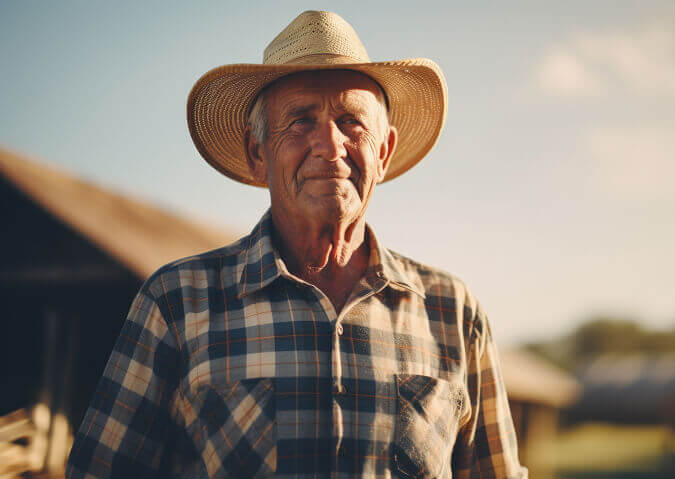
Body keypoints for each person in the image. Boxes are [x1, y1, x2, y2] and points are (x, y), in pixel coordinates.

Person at [67, 10, 527, 479]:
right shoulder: (177, 302)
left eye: (351, 121)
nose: (329, 144)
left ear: (383, 152)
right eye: (301, 121)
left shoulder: (452, 311)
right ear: (256, 154)